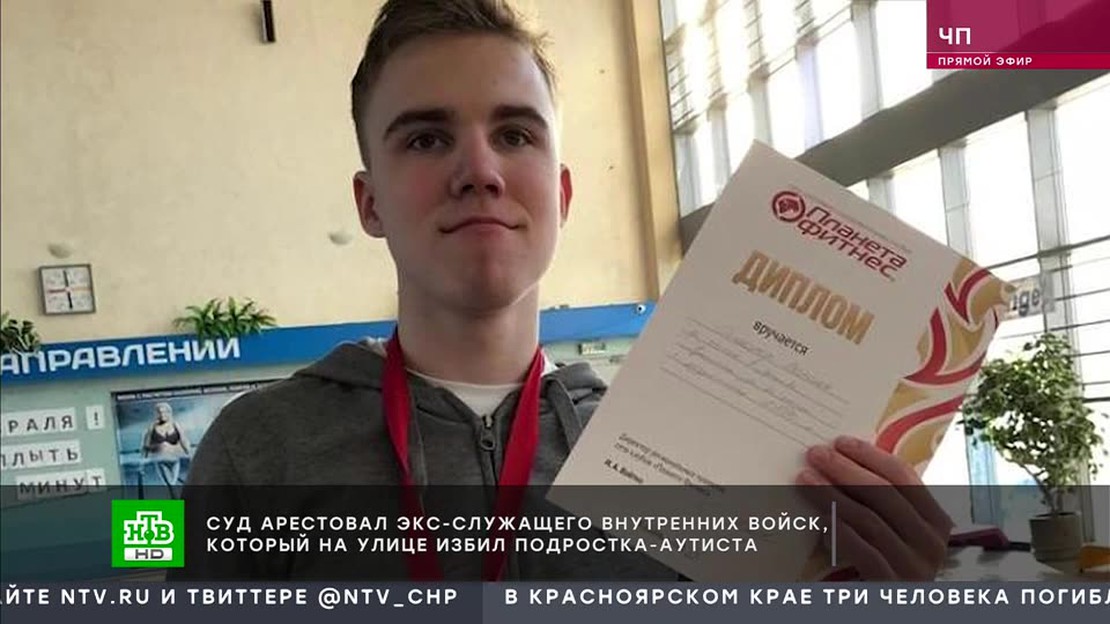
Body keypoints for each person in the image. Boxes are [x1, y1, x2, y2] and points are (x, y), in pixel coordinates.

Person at [182, 0, 950, 582]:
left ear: (563, 192)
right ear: (369, 202)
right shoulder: (261, 451)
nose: (480, 171)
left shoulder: (678, 457)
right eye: (426, 138)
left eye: (515, 134)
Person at [141, 402, 191, 497]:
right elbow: (145, 446)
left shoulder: (175, 425)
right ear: (157, 414)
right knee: (171, 485)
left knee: (173, 484)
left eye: (164, 412)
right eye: (160, 412)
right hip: (161, 461)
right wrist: (142, 464)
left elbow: (184, 441)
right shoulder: (152, 427)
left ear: (169, 413)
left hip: (175, 460)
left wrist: (191, 457)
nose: (162, 414)